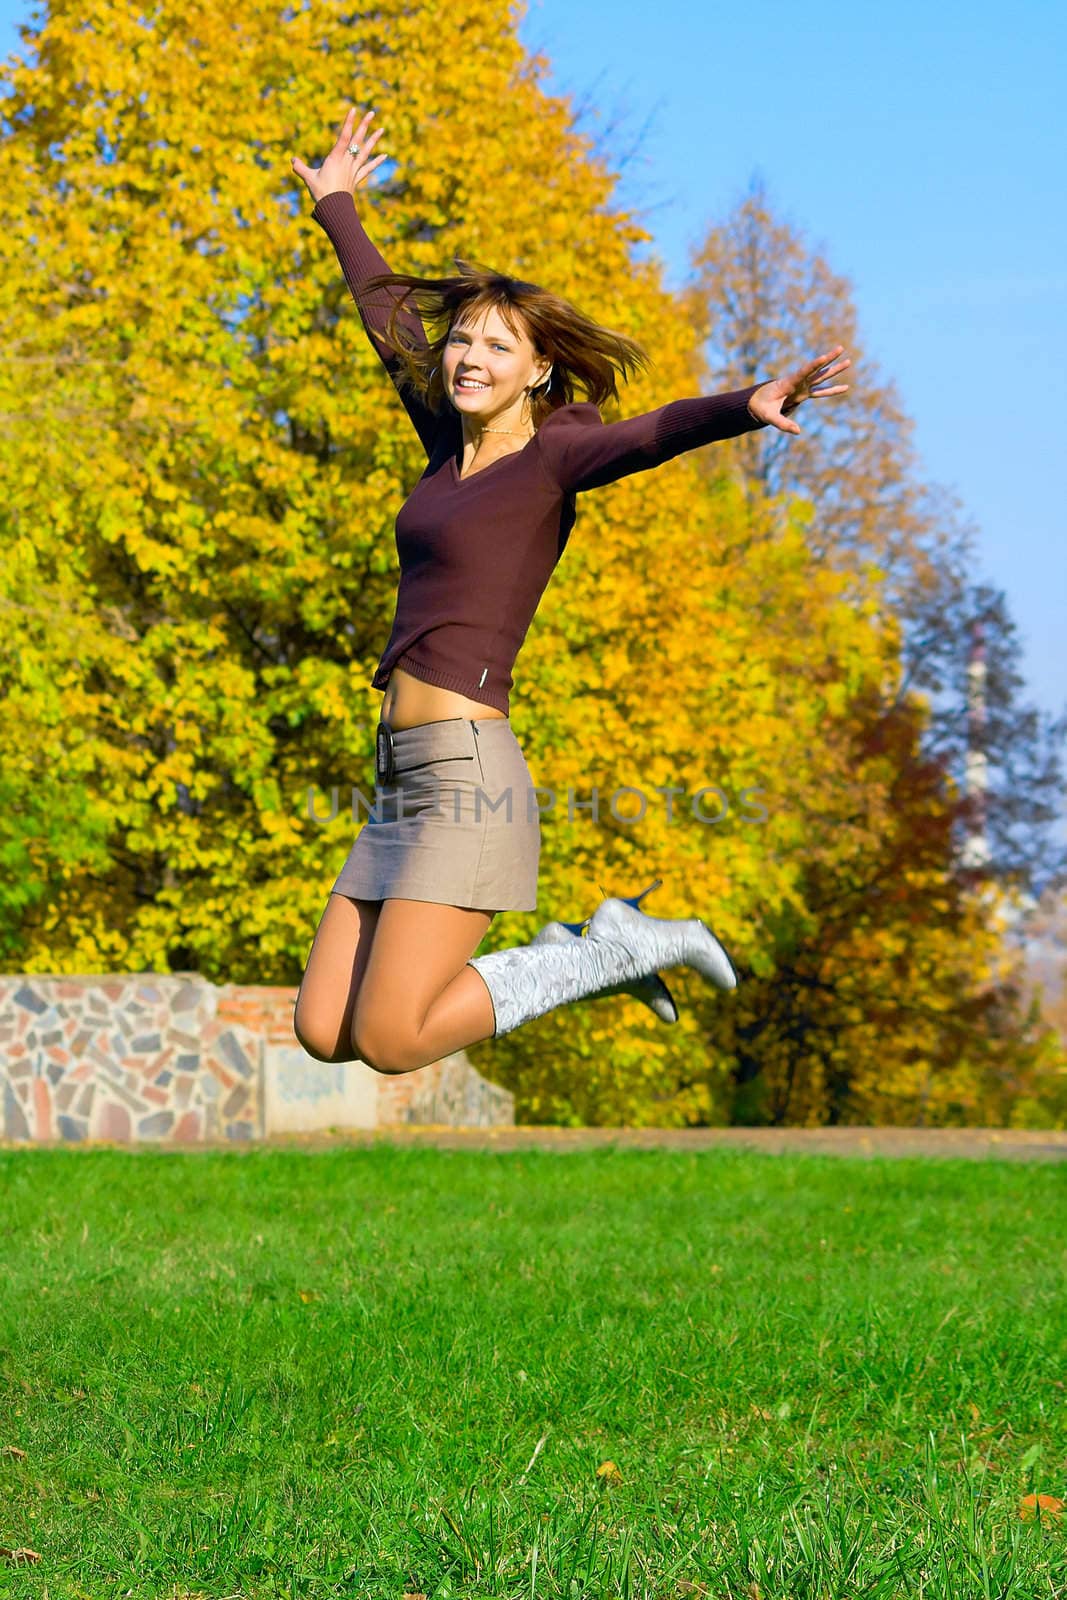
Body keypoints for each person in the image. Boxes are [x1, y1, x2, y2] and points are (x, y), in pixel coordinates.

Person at [290, 106, 851, 1076]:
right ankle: (577, 953)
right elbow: (385, 313)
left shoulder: (554, 457)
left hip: (469, 772)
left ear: (537, 368)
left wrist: (744, 408)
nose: (469, 358)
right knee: (323, 1028)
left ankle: (596, 957)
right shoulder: (442, 447)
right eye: (462, 340)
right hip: (398, 772)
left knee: (389, 1039)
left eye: (497, 347)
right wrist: (337, 201)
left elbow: (648, 434)